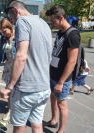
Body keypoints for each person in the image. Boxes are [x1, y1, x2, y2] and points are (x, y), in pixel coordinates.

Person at [1, 1, 53, 133]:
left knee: (19, 126)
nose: (13, 22)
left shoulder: (22, 22)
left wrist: (10, 86)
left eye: (12, 18)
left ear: (16, 11)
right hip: (43, 86)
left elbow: (21, 56)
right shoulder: (43, 23)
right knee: (37, 125)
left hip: (26, 89)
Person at [45, 5, 80, 133]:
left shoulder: (72, 35)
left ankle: (61, 130)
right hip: (54, 73)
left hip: (62, 79)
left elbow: (72, 61)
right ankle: (54, 120)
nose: (52, 23)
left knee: (62, 104)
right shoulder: (60, 32)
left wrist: (61, 82)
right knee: (53, 98)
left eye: (53, 20)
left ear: (61, 18)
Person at [0, 18, 16, 121]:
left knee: (18, 91)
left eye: (4, 31)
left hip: (18, 67)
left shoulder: (18, 37)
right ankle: (10, 110)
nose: (3, 33)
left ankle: (17, 112)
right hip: (8, 66)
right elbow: (1, 55)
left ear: (10, 27)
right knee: (8, 90)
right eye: (2, 31)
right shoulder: (3, 39)